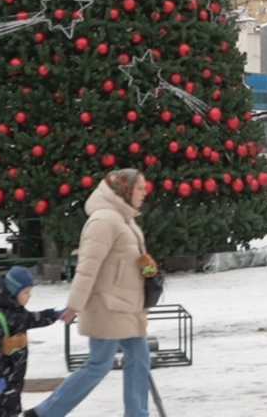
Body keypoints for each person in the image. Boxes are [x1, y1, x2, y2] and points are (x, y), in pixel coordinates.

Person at [25, 169, 157, 417]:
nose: (144, 192)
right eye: (140, 188)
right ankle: (44, 413)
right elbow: (88, 267)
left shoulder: (124, 218)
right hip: (106, 306)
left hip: (126, 306)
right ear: (125, 190)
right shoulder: (104, 221)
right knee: (99, 365)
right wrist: (74, 305)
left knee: (139, 360)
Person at [0, 265, 62, 417]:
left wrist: (55, 314)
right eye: (26, 292)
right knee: (2, 409)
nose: (29, 296)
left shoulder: (15, 311)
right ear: (14, 291)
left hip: (12, 374)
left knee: (10, 409)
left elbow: (33, 319)